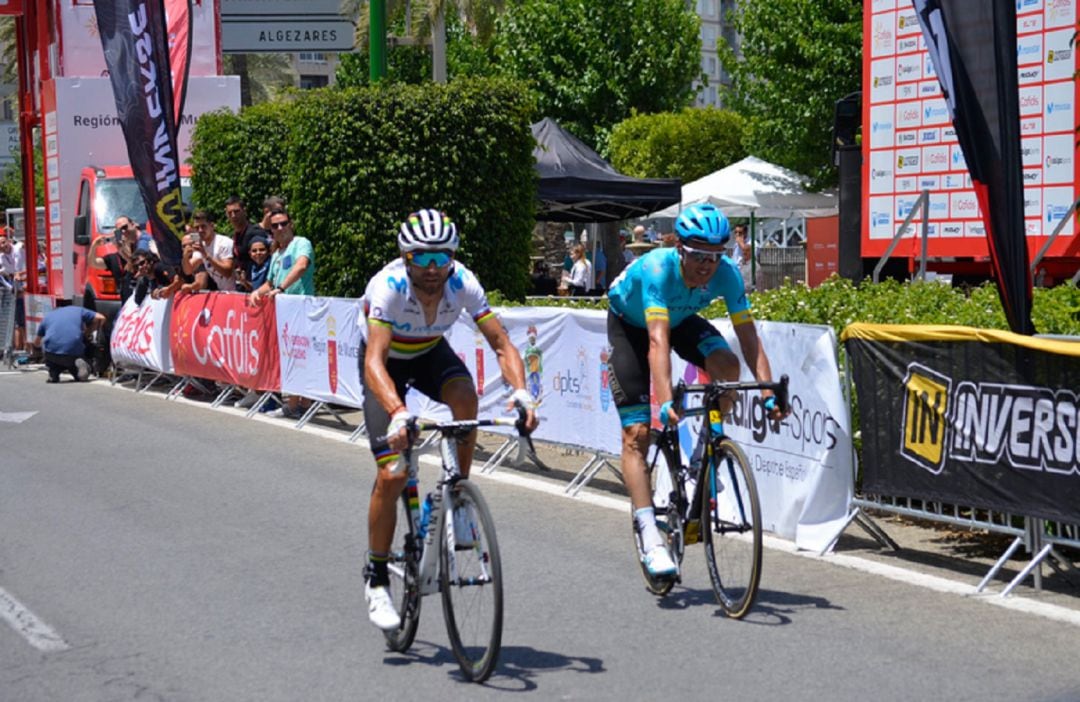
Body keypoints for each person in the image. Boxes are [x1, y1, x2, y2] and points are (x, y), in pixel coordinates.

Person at [360, 208, 538, 631]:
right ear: (406, 258)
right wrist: (399, 413)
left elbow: (501, 343)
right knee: (392, 473)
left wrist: (522, 393)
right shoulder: (388, 287)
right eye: (423, 258)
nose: (434, 268)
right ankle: (377, 577)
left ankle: (458, 493)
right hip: (385, 367)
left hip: (427, 354)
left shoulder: (462, 282)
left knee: (465, 397)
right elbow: (374, 361)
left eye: (443, 257)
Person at [605, 203, 787, 578]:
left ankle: (712, 448)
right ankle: (650, 535)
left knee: (727, 364)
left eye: (716, 256)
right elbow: (657, 341)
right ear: (680, 249)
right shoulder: (658, 268)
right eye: (699, 255)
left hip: (682, 318)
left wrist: (769, 391)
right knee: (637, 433)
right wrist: (666, 399)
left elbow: (748, 337)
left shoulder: (728, 275)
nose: (708, 265)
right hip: (631, 326)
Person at [250, 209, 315, 418]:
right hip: (283, 313)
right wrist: (256, 293)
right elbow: (270, 282)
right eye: (275, 225)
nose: (280, 228)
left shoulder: (301, 243)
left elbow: (302, 266)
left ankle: (294, 405)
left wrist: (283, 288)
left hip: (301, 309)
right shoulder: (277, 254)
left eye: (283, 223)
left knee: (299, 357)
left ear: (291, 224)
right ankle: (300, 405)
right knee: (291, 357)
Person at [34, 305, 106, 382]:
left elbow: (36, 342)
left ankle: (53, 372)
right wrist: (87, 332)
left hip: (53, 354)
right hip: (73, 353)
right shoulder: (78, 310)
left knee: (49, 350)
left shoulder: (47, 317)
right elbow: (101, 318)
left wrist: (37, 351)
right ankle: (80, 367)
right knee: (75, 360)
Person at [188, 210, 236, 291]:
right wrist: (186, 254)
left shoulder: (224, 242)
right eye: (197, 228)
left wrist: (206, 255)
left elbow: (227, 273)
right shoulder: (200, 244)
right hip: (222, 291)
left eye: (203, 226)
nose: (200, 230)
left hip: (237, 292)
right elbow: (189, 269)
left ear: (212, 226)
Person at [0, 227, 27, 354]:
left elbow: (25, 242)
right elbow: (2, 276)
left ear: (9, 241)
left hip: (28, 283)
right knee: (19, 321)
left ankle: (28, 348)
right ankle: (21, 348)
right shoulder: (1, 258)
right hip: (16, 289)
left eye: (3, 242)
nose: (2, 246)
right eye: (0, 244)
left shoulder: (18, 247)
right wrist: (9, 287)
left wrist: (16, 235)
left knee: (25, 320)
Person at [225, 196, 268, 273]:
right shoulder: (234, 236)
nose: (233, 215)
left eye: (236, 211)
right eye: (230, 213)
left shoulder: (255, 232)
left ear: (244, 211)